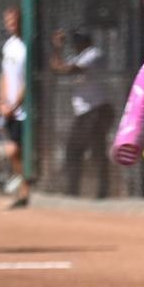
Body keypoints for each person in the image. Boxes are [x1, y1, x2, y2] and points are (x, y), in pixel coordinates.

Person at [51, 27, 113, 199]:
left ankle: (93, 192)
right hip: (87, 112)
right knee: (86, 150)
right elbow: (57, 68)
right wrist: (57, 48)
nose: (76, 44)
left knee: (81, 150)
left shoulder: (94, 54)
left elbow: (68, 69)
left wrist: (58, 51)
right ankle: (92, 191)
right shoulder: (79, 56)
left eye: (79, 41)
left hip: (97, 110)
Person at [0, 6, 31, 210]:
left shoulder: (28, 45)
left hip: (25, 110)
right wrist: (2, 100)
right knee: (13, 151)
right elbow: (4, 75)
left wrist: (16, 103)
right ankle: (23, 189)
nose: (11, 23)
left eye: (14, 19)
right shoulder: (8, 45)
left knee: (15, 150)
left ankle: (26, 190)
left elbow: (29, 80)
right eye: (8, 20)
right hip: (9, 108)